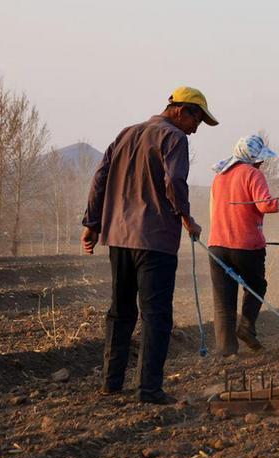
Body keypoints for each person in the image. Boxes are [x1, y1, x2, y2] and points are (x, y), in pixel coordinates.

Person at [81, 86, 218, 404]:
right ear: (181, 111)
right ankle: (148, 389)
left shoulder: (126, 133)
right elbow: (174, 181)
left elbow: (99, 178)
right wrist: (186, 217)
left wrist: (92, 224)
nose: (196, 129)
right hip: (154, 239)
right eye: (197, 120)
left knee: (120, 311)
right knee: (156, 315)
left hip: (118, 237)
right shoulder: (174, 138)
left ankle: (111, 383)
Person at [208, 135, 279, 359]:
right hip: (246, 246)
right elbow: (265, 205)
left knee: (223, 300)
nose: (262, 163)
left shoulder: (219, 177)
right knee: (256, 286)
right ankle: (245, 328)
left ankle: (227, 351)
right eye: (260, 159)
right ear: (252, 158)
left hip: (216, 245)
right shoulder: (253, 174)